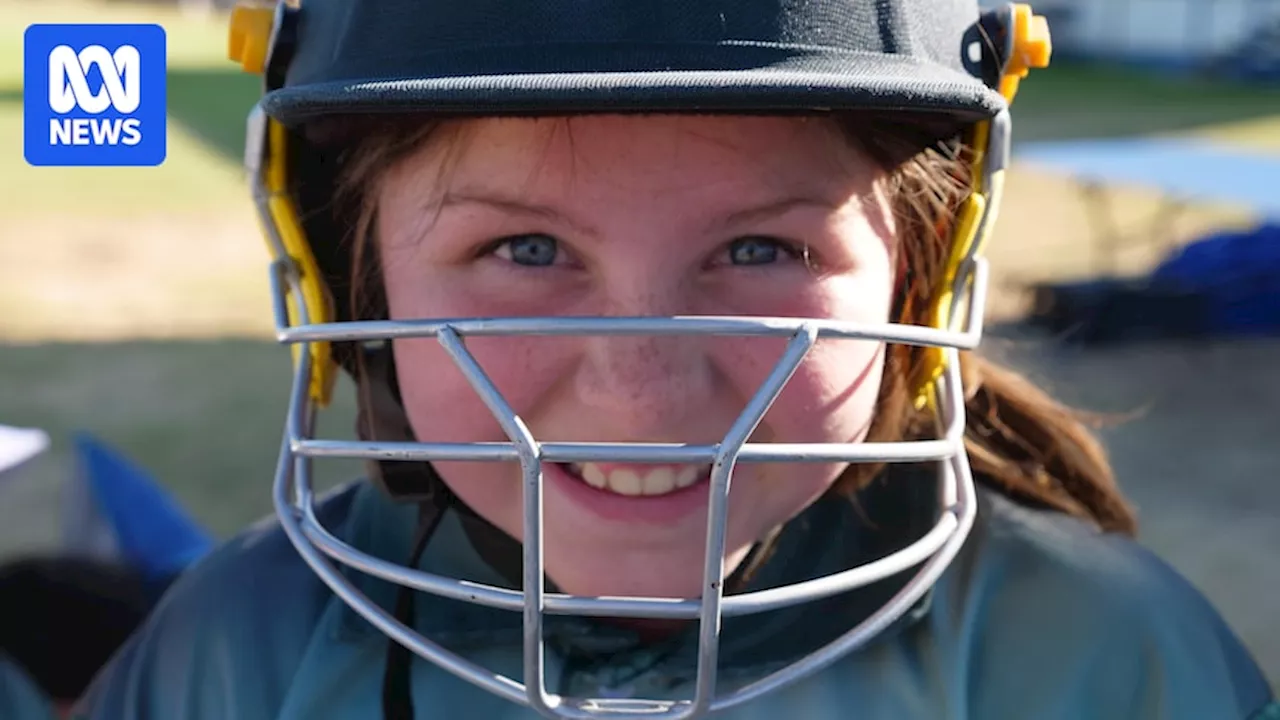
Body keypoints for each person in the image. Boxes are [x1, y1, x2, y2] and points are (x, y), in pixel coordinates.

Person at [76, 0, 1276, 718]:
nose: (639, 392)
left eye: (759, 247)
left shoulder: (1095, 662)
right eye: (525, 247)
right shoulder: (235, 654)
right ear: (355, 279)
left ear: (920, 274)